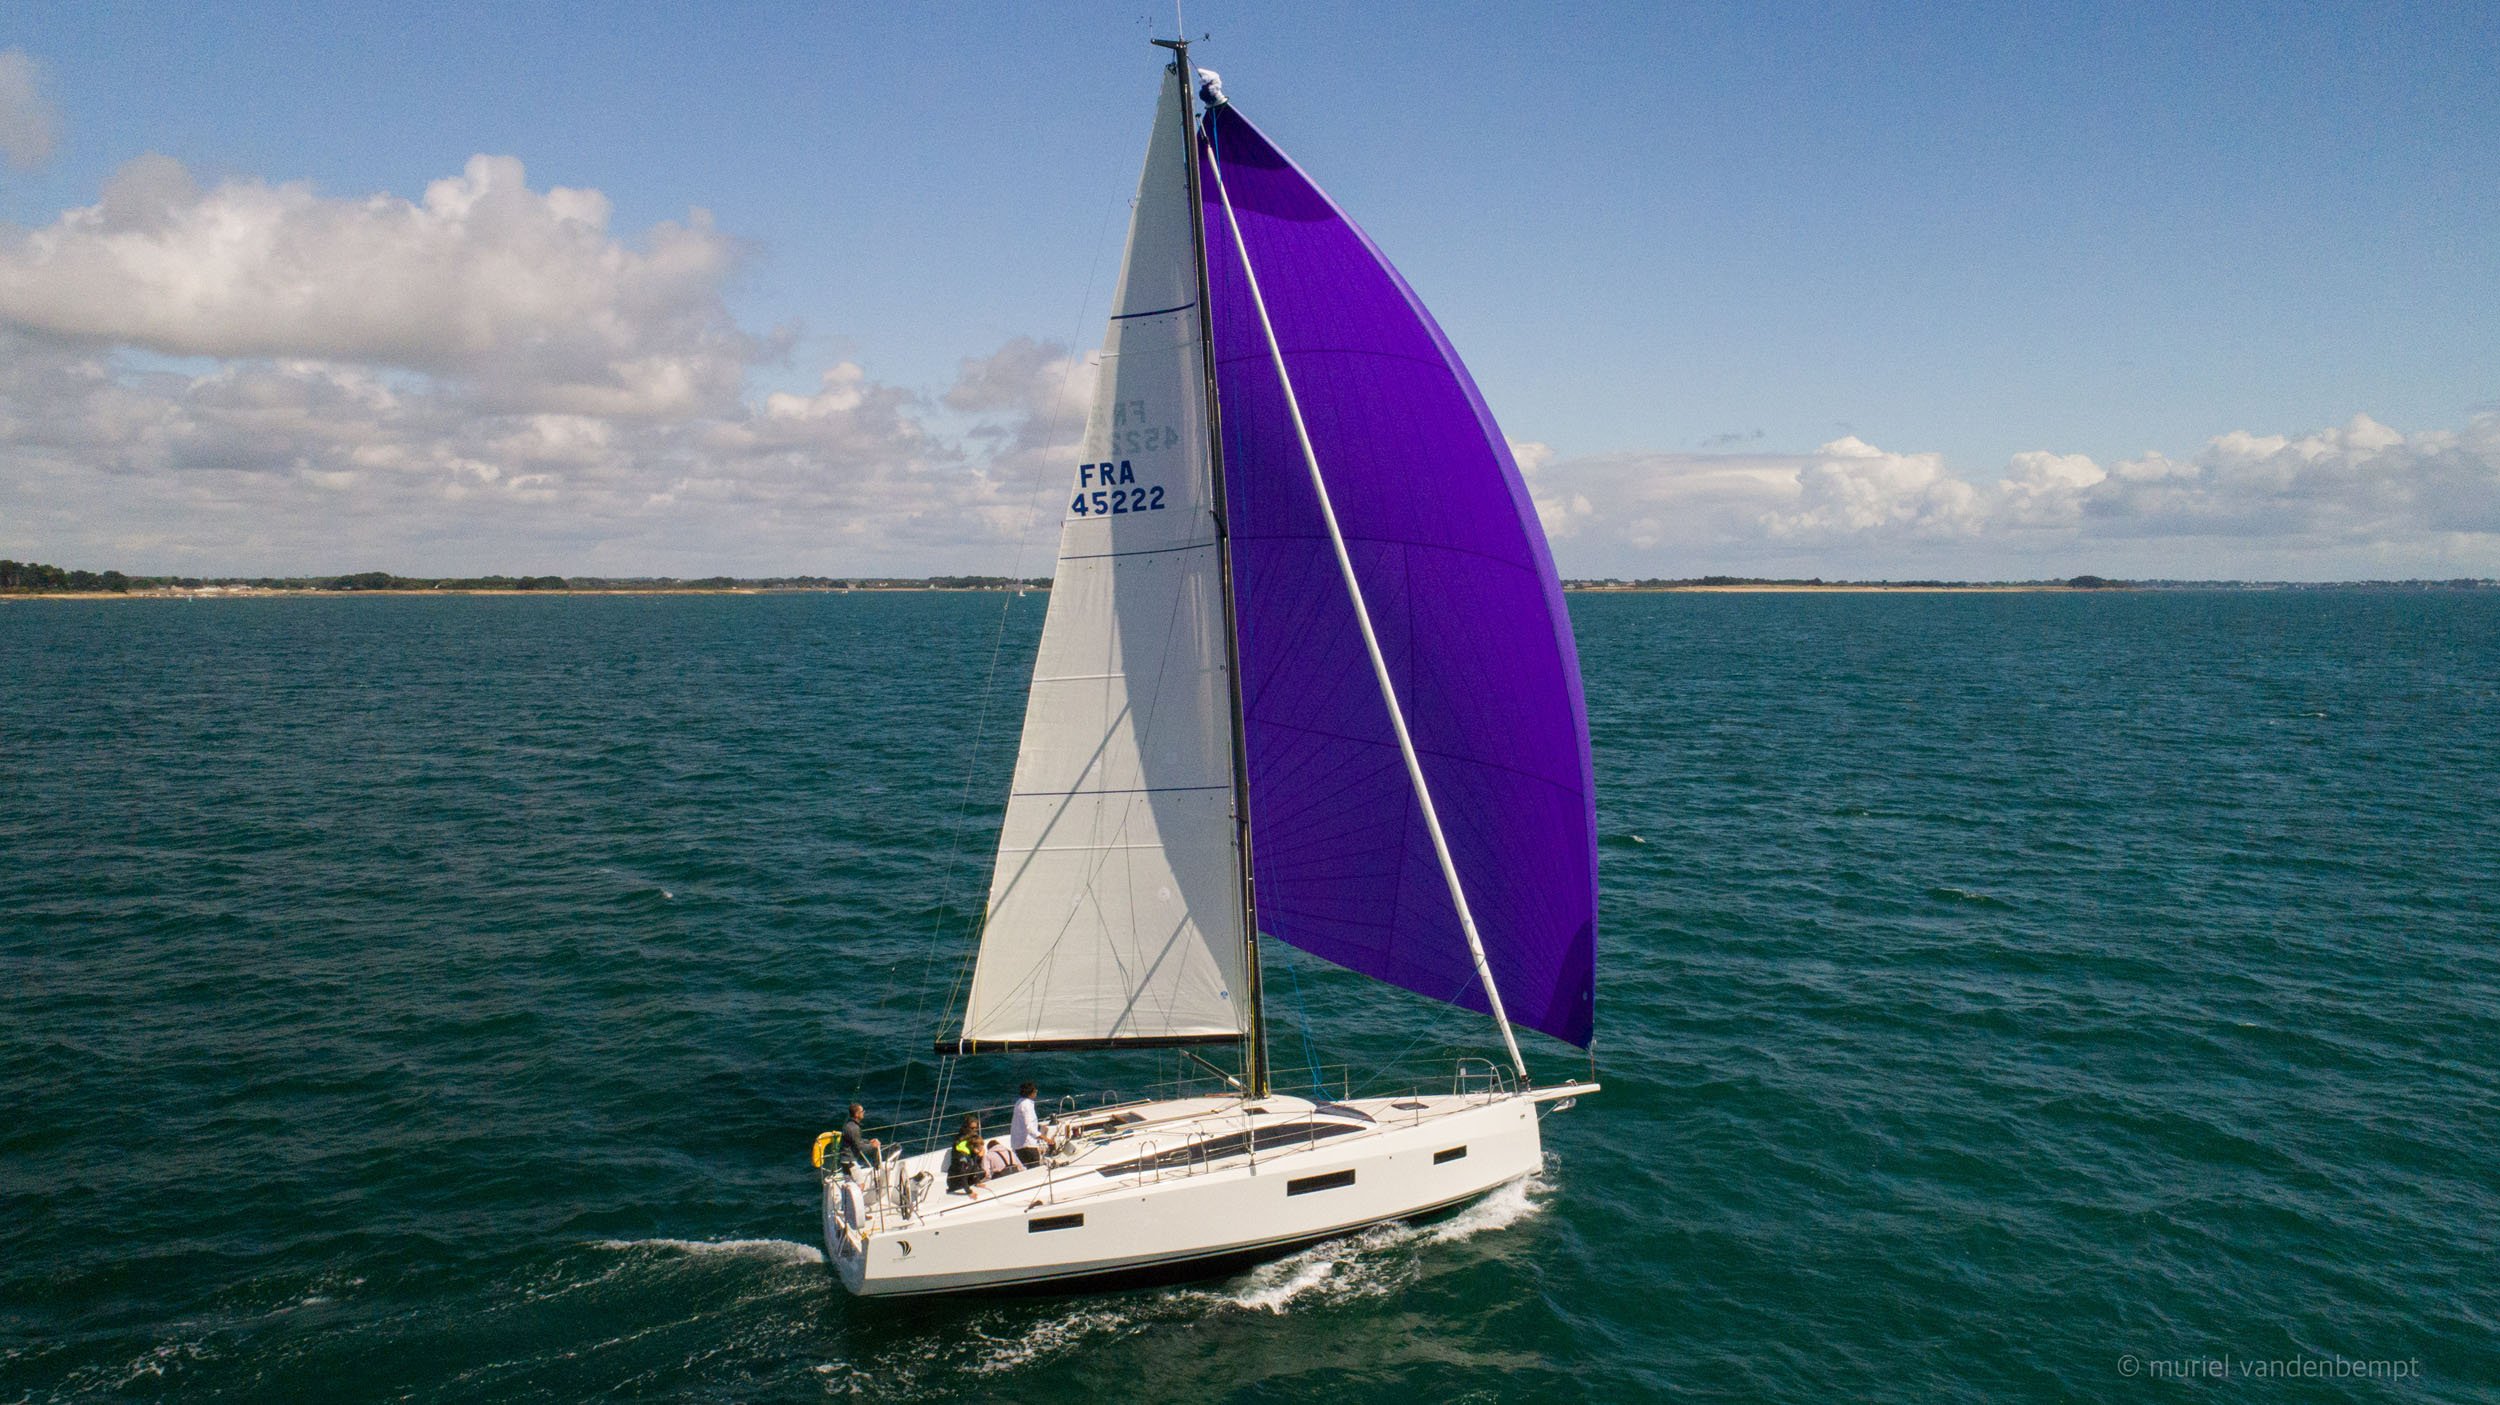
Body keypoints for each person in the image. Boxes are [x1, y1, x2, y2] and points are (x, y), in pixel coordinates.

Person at [1009, 1081, 1057, 1168]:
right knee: (1034, 1169)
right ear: (1031, 1093)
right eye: (1035, 1091)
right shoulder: (1027, 1105)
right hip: (1027, 1145)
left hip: (1018, 1144)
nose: (1036, 1092)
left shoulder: (1019, 1102)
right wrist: (1046, 1139)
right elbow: (1029, 1127)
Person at [944, 1114, 989, 1196]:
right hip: (958, 1177)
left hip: (968, 1169)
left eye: (976, 1128)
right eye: (972, 1128)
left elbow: (974, 1163)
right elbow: (962, 1173)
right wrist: (969, 1192)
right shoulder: (961, 1144)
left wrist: (977, 1181)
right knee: (965, 1169)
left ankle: (974, 1180)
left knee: (982, 1172)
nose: (974, 1130)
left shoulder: (972, 1140)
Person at [837, 1102, 883, 1173]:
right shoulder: (854, 1128)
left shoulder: (850, 1125)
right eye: (862, 1111)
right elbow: (860, 1147)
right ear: (856, 1114)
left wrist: (868, 1142)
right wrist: (872, 1146)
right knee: (861, 1184)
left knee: (849, 1182)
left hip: (845, 1160)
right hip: (850, 1161)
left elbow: (856, 1141)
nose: (864, 1112)